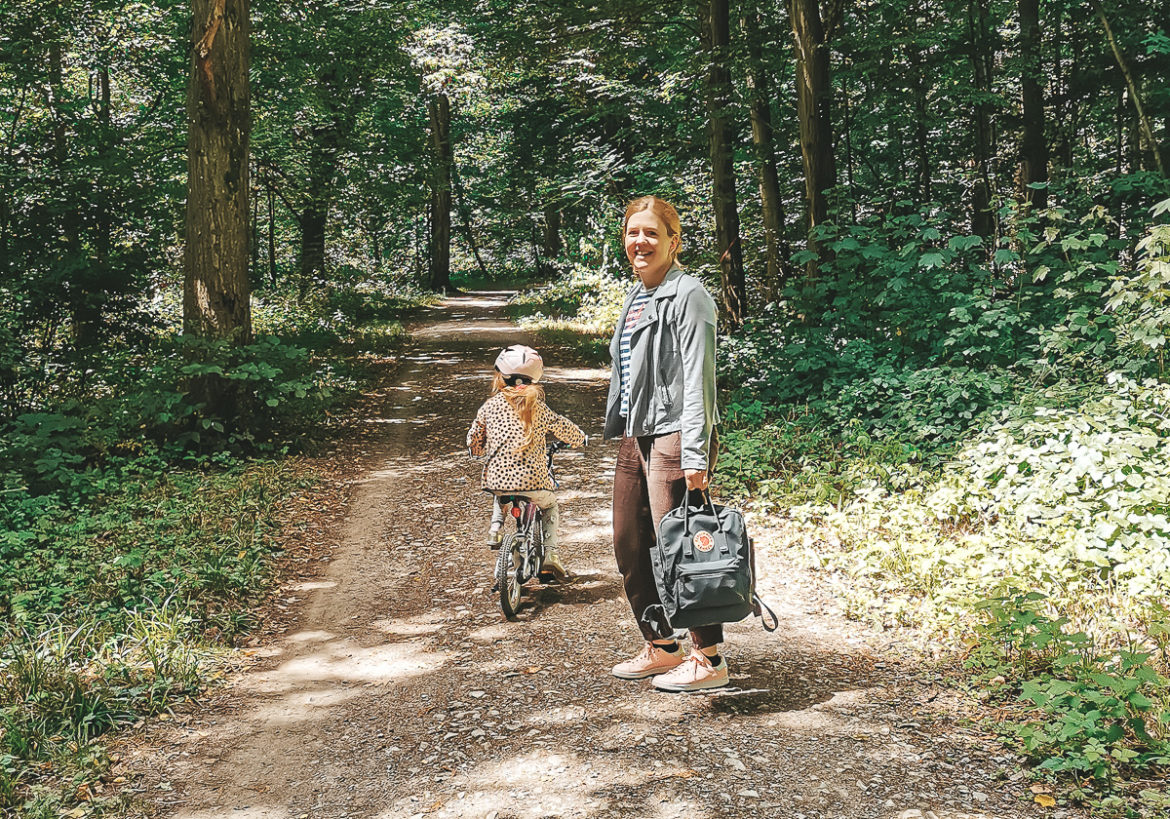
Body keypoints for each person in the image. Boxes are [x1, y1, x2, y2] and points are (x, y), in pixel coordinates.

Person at [604, 195, 727, 692]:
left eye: (652, 233)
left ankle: (709, 656)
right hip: (640, 431)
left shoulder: (688, 293)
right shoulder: (637, 296)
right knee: (629, 542)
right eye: (634, 233)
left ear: (673, 242)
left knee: (680, 546)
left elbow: (699, 378)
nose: (641, 242)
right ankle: (662, 645)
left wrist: (695, 453)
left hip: (678, 433)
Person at [467, 344, 586, 580]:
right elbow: (563, 427)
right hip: (534, 481)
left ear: (501, 377)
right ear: (533, 380)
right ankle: (551, 555)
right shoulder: (538, 407)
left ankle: (495, 528)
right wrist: (580, 438)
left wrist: (477, 449)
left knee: (500, 488)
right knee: (550, 504)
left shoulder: (489, 407)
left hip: (498, 481)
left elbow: (474, 438)